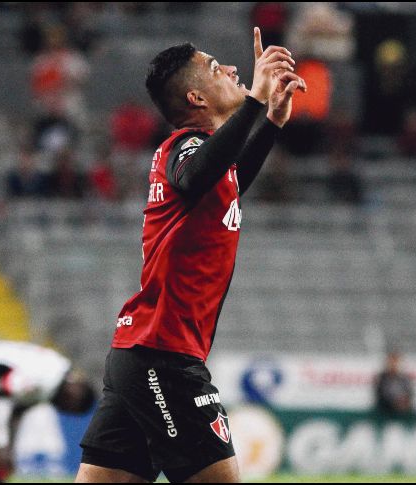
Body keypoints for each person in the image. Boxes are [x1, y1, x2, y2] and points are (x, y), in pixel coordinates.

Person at [76, 28, 306, 484]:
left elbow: (228, 179)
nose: (236, 70)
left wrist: (271, 122)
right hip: (164, 358)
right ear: (198, 98)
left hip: (139, 355)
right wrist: (256, 101)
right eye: (219, 68)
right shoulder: (184, 148)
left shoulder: (206, 163)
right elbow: (197, 174)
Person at [0, 341, 95, 483]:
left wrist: (8, 449)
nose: (63, 410)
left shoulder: (59, 371)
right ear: (71, 399)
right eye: (70, 410)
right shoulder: (42, 382)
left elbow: (17, 411)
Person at [374, 351, 414, 416]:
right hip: (385, 413)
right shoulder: (381, 379)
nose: (393, 364)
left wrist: (404, 402)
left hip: (404, 413)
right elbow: (380, 396)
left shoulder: (405, 379)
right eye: (391, 362)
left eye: (396, 361)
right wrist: (394, 403)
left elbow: (410, 394)